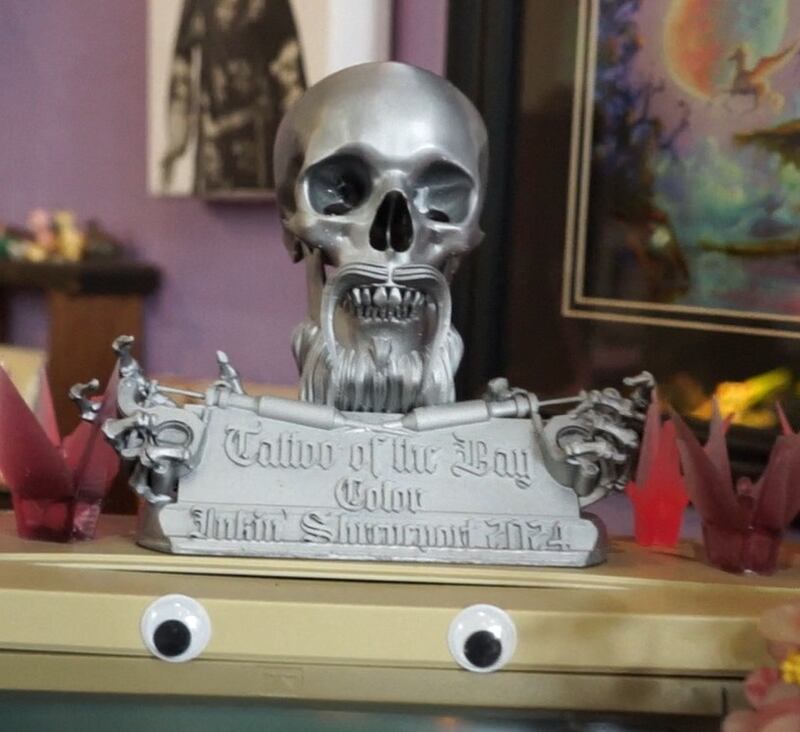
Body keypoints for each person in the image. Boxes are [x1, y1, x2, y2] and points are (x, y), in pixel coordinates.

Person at [161, 0, 305, 195]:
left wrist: (300, 139)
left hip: (261, 137)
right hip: (214, 139)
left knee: (259, 206)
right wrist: (177, 135)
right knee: (215, 206)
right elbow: (182, 65)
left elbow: (289, 65)